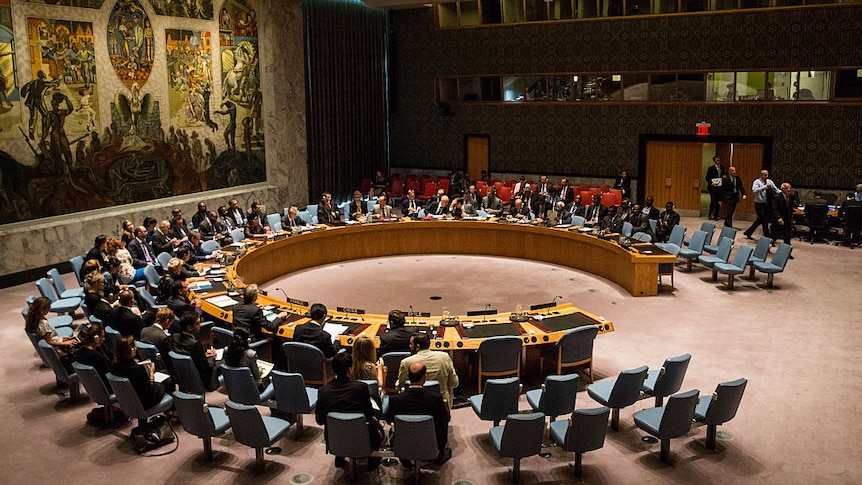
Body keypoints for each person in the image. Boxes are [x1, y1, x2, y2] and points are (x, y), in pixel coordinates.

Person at [315, 352, 383, 470]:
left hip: (334, 438)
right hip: (361, 435)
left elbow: (320, 420)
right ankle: (373, 459)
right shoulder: (361, 388)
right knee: (374, 416)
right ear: (350, 370)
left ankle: (339, 455)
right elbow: (368, 414)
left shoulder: (323, 391)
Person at [385, 362, 452, 467]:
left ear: (408, 376)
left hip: (403, 444)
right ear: (424, 377)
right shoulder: (436, 399)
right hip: (430, 444)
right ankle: (439, 454)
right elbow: (446, 419)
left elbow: (389, 420)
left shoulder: (395, 400)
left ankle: (406, 458)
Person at [397, 332, 459, 409]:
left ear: (417, 346)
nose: (409, 346)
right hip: (442, 404)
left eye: (411, 344)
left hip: (414, 404)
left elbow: (399, 385)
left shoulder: (406, 362)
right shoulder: (444, 357)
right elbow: (454, 383)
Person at [110, 336, 166, 409]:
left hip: (128, 400)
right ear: (132, 349)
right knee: (168, 380)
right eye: (135, 346)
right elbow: (150, 391)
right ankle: (172, 414)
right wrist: (151, 374)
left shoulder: (114, 366)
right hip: (146, 402)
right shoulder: (138, 369)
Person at [171, 312, 219, 391]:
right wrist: (212, 357)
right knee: (223, 362)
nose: (200, 325)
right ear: (189, 328)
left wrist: (203, 355)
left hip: (185, 375)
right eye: (197, 323)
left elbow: (188, 354)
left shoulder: (175, 337)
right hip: (202, 377)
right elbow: (206, 367)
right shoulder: (195, 344)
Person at [743, 170, 781, 240]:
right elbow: (754, 190)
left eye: (767, 175)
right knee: (764, 220)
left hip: (767, 204)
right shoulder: (757, 182)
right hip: (759, 204)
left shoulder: (770, 181)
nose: (766, 176)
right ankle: (767, 236)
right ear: (761, 175)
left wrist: (782, 193)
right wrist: (765, 187)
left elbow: (776, 189)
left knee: (760, 220)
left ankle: (749, 232)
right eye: (765, 175)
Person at [74, 324, 111, 388]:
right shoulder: (97, 356)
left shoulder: (80, 351)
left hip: (94, 386)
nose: (104, 339)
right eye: (102, 336)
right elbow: (108, 373)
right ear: (96, 338)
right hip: (107, 386)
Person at [351, 336, 384, 402]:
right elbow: (379, 384)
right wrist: (380, 368)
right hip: (369, 397)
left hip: (353, 395)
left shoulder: (351, 365)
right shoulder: (370, 366)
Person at [771, 182, 796, 249]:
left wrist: (794, 195)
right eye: (786, 188)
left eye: (789, 188)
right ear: (782, 189)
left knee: (787, 237)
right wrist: (778, 218)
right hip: (778, 220)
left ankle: (787, 253)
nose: (788, 190)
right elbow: (774, 209)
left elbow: (795, 205)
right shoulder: (777, 197)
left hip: (787, 220)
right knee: (774, 236)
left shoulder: (791, 197)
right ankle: (766, 249)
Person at [706, 155, 726, 221]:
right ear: (714, 161)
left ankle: (716, 215)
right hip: (713, 188)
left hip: (720, 187)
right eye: (717, 160)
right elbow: (707, 178)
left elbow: (723, 175)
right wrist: (711, 183)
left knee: (718, 201)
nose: (718, 162)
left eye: (719, 160)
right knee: (713, 201)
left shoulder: (722, 168)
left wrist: (724, 177)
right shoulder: (711, 168)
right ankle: (710, 213)